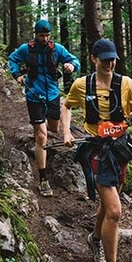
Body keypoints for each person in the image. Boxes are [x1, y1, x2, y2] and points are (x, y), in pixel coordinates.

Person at [60, 38, 132, 262]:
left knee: (106, 204)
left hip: (119, 149)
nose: (110, 63)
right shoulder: (82, 85)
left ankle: (95, 239)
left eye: (113, 59)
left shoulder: (126, 84)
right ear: (93, 59)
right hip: (95, 150)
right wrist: (66, 131)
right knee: (114, 210)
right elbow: (66, 106)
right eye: (105, 59)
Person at [8, 19, 80, 197]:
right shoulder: (27, 48)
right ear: (36, 34)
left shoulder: (57, 49)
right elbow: (12, 59)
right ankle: (43, 179)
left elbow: (74, 60)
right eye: (42, 35)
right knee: (41, 136)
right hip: (34, 94)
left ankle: (43, 129)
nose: (45, 38)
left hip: (53, 94)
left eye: (47, 35)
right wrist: (17, 75)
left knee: (53, 128)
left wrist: (72, 65)